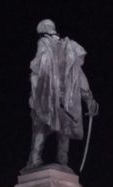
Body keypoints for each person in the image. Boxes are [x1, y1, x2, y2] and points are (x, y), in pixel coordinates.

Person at [25, 19, 99, 170]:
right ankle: (62, 161)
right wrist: (89, 98)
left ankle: (34, 160)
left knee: (40, 127)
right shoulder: (69, 48)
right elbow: (78, 74)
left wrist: (34, 94)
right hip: (67, 99)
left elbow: (38, 69)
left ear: (43, 31)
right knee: (64, 128)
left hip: (48, 96)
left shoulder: (44, 43)